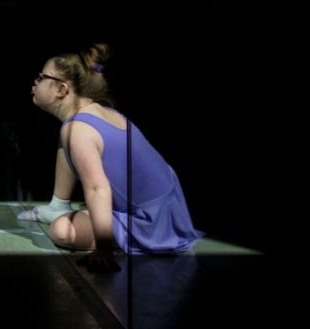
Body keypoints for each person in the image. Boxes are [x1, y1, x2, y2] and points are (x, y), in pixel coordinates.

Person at [18, 43, 202, 271]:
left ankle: (104, 230)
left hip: (151, 222)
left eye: (41, 76)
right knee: (66, 139)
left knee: (62, 230)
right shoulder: (95, 111)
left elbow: (98, 188)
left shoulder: (79, 130)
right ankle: (58, 204)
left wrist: (103, 248)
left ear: (61, 89)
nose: (35, 81)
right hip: (170, 206)